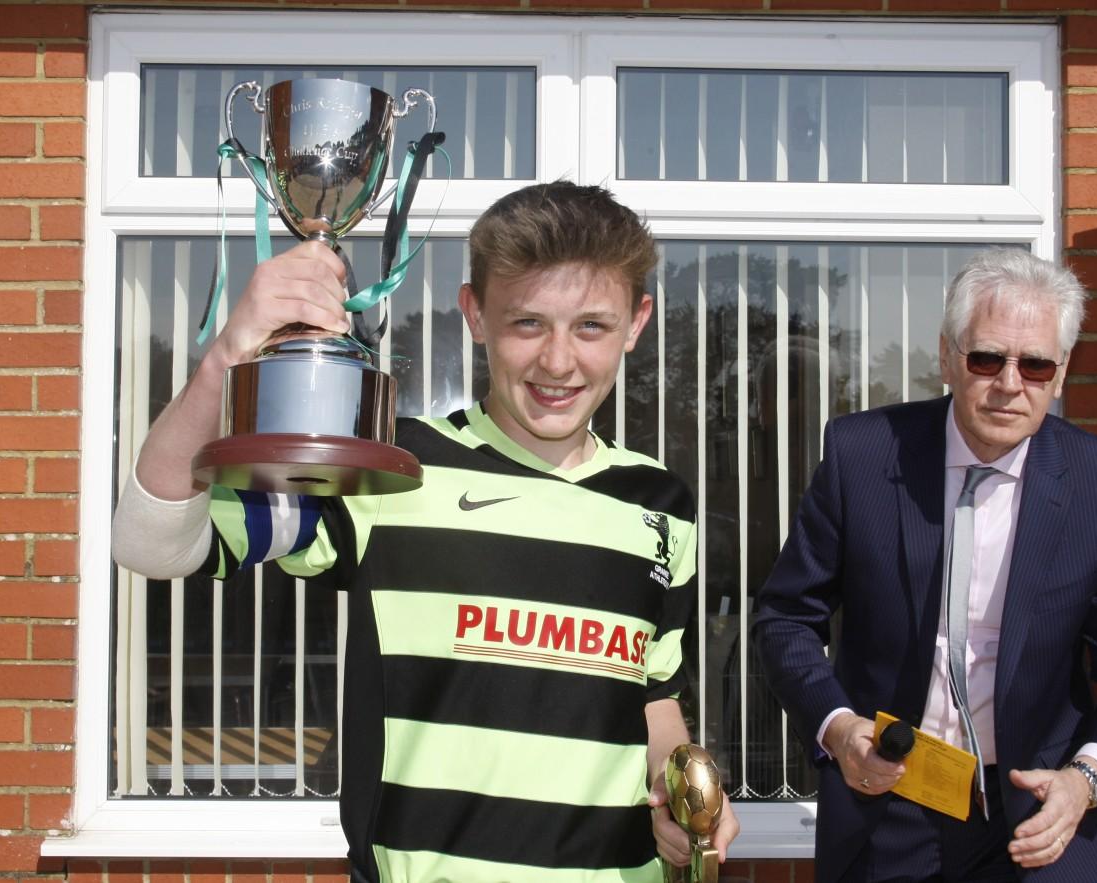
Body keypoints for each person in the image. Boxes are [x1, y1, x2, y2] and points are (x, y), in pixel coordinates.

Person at [112, 181, 738, 883]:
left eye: (591, 326)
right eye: (527, 323)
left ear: (637, 321)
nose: (559, 362)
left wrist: (680, 795)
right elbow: (149, 541)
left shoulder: (661, 502)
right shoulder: (388, 468)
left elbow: (653, 695)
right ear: (474, 312)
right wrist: (227, 355)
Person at [751, 247, 1097, 882]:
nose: (1010, 384)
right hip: (887, 799)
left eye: (1035, 365)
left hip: (1041, 805)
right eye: (987, 358)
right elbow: (784, 618)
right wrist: (838, 729)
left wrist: (1085, 780)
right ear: (947, 357)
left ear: (1060, 375)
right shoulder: (861, 455)